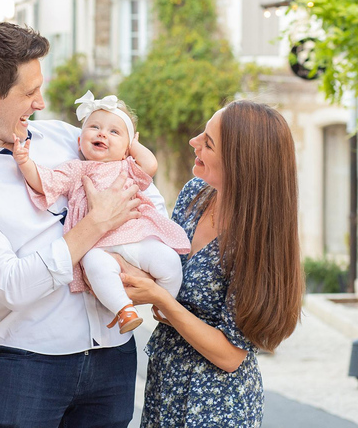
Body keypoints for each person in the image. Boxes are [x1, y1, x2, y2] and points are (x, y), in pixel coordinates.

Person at [0, 22, 169, 428]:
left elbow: (140, 188)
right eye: (29, 92)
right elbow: (13, 285)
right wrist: (95, 224)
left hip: (114, 356)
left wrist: (136, 252)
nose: (40, 102)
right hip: (32, 369)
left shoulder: (60, 136)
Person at [121, 100, 304, 427]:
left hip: (216, 400)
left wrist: (162, 300)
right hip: (166, 379)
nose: (194, 142)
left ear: (239, 163)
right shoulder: (194, 195)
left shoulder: (255, 240)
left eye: (208, 142)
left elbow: (231, 356)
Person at [12, 90, 188, 334]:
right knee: (96, 270)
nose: (103, 133)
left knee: (169, 261)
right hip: (97, 246)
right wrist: (25, 163)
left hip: (135, 238)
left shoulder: (127, 166)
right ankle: (124, 310)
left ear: (127, 148)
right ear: (79, 141)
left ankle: (166, 304)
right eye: (94, 127)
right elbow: (45, 181)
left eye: (115, 132)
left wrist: (135, 146)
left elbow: (150, 165)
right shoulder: (76, 170)